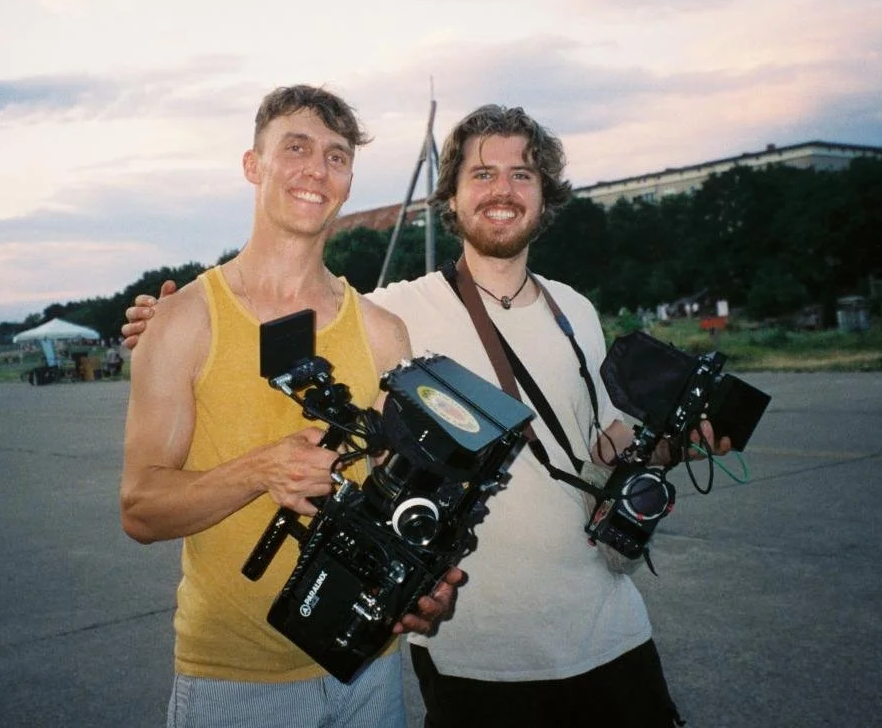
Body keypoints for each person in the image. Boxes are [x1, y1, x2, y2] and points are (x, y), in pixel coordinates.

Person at [125, 104, 729, 728]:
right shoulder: (399, 312)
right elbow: (277, 313)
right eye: (482, 174)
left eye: (522, 175)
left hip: (601, 625)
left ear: (545, 194)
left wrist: (673, 443)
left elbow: (602, 443)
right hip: (474, 653)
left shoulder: (570, 308)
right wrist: (165, 318)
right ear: (453, 196)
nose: (502, 190)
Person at [120, 85, 460, 728]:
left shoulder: (383, 332)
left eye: (336, 156)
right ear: (254, 165)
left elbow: (396, 495)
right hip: (235, 678)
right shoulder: (186, 319)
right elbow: (140, 508)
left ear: (349, 181)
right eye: (295, 148)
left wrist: (422, 584)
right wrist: (259, 471)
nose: (316, 170)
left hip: (367, 664)